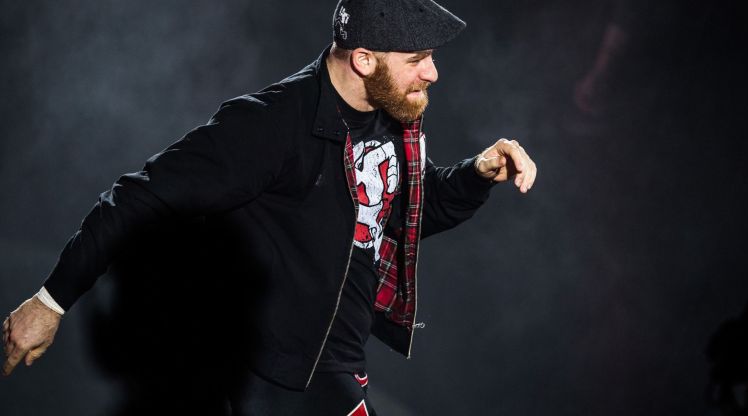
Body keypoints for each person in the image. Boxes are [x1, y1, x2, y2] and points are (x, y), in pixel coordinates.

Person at [2, 0, 537, 414]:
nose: (433, 74)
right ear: (364, 59)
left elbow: (401, 213)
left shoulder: (385, 114)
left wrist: (475, 175)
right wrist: (50, 302)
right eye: (418, 60)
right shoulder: (268, 126)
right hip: (278, 381)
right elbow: (139, 197)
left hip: (337, 366)